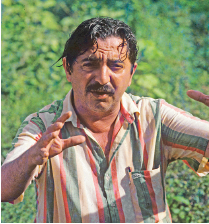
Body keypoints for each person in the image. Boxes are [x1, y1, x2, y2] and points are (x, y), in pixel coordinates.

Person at [1, 17, 209, 223]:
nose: (102, 78)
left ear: (131, 73)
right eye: (89, 64)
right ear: (68, 69)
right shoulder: (45, 127)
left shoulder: (154, 117)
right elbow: (4, 189)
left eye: (116, 66)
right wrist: (31, 158)